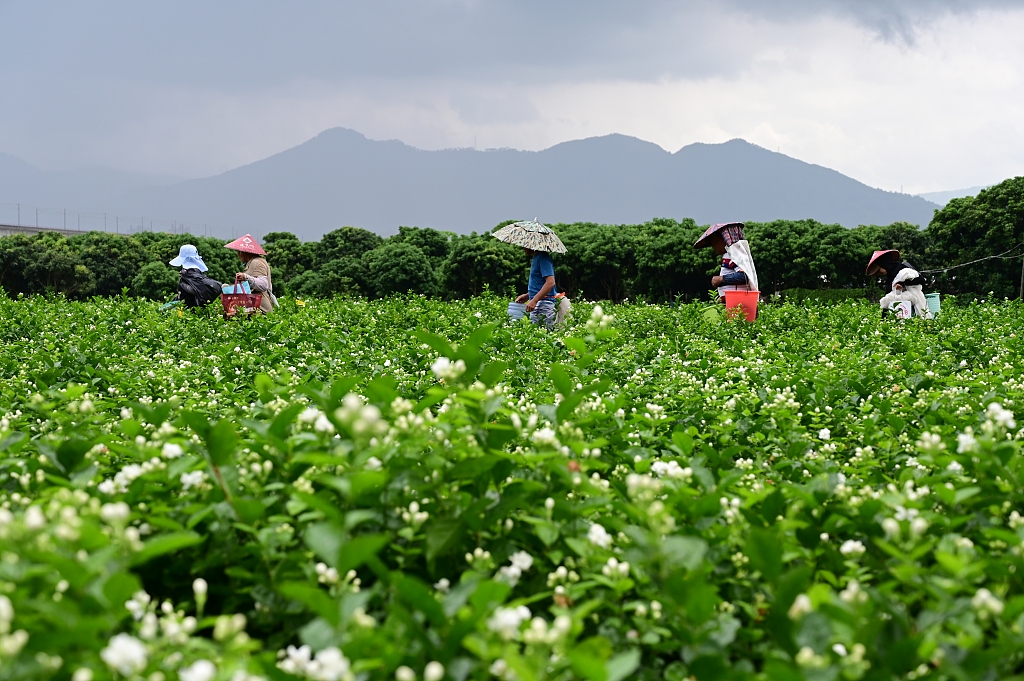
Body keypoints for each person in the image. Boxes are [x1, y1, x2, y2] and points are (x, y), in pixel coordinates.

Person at [693, 222, 759, 298]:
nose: (713, 247)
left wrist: (721, 279)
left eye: (713, 242)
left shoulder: (733, 255)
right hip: (734, 299)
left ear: (721, 239)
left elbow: (744, 276)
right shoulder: (731, 255)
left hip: (738, 299)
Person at [867, 249, 930, 318]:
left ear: (885, 264)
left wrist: (902, 283)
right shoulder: (889, 279)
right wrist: (884, 319)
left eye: (879, 269)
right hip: (900, 311)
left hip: (914, 305)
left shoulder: (903, 268)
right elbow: (888, 300)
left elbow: (920, 279)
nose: (879, 272)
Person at [225, 234, 277, 314]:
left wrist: (246, 277)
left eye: (238, 252)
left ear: (243, 253)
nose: (238, 255)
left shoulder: (257, 263)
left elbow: (263, 284)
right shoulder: (252, 263)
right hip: (253, 308)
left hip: (261, 309)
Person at [516, 247, 560, 328]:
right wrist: (528, 295)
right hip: (539, 304)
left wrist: (534, 300)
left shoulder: (543, 257)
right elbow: (540, 285)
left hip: (544, 305)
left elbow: (550, 282)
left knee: (543, 336)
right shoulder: (536, 257)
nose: (523, 247)